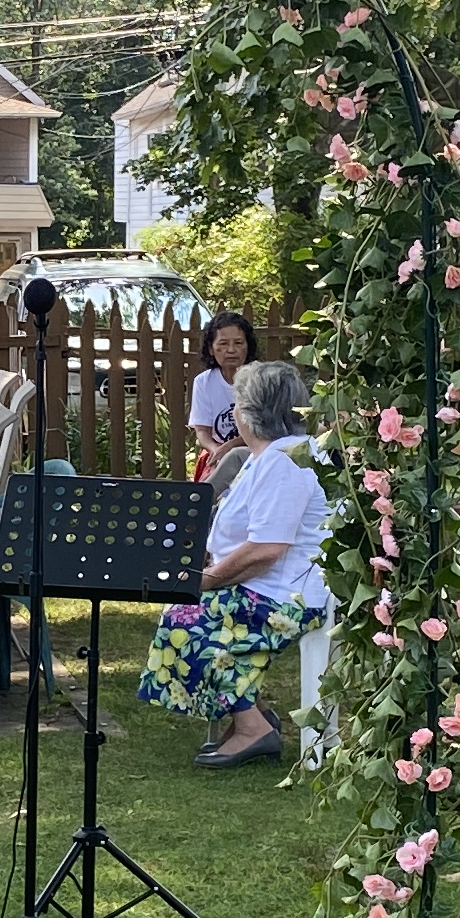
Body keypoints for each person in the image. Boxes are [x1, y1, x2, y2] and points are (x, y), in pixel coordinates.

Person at [137, 360, 329, 768]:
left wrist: (205, 581)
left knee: (185, 623)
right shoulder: (267, 457)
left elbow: (266, 550)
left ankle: (252, 728)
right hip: (271, 587)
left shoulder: (284, 463)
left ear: (248, 414)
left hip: (288, 595)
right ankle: (255, 716)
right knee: (187, 615)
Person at [188, 310, 259, 476]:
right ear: (211, 349)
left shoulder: (261, 379)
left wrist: (231, 446)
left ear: (248, 347)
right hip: (216, 452)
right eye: (223, 344)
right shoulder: (203, 382)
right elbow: (202, 432)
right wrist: (217, 450)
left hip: (256, 451)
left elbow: (266, 431)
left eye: (239, 343)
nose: (231, 350)